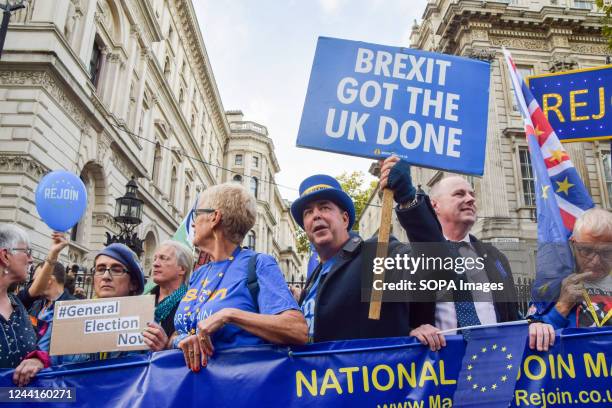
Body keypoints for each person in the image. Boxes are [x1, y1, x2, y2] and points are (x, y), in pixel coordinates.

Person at [380, 156, 555, 352]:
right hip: (438, 369)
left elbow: (511, 317)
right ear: (434, 205)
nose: (470, 199)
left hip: (493, 366)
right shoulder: (410, 257)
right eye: (459, 194)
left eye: (472, 194)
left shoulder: (495, 257)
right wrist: (411, 331)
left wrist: (533, 325)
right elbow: (391, 320)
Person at [173, 183, 307, 372]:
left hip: (240, 389)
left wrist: (229, 315)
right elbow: (182, 331)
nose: (192, 223)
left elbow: (297, 329)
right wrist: (176, 340)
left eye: (196, 215)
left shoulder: (258, 263)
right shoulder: (199, 273)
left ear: (214, 217)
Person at [291, 174, 440, 343]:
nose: (316, 215)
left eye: (324, 207)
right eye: (308, 212)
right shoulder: (312, 280)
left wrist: (409, 202)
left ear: (345, 219)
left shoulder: (377, 252)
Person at [87, 243, 167, 360]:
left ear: (133, 284)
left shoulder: (149, 326)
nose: (106, 276)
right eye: (100, 269)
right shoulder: (72, 321)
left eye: (116, 270)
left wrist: (161, 353)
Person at [535, 208, 612, 329]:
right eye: (586, 250)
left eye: (607, 252)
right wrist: (562, 306)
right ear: (573, 244)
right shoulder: (550, 284)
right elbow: (530, 339)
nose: (596, 261)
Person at [0, 224, 49, 386]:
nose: (31, 259)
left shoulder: (17, 304)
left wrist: (37, 361)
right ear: (5, 256)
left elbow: (37, 349)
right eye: (26, 252)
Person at [27, 261, 79, 365]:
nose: (33, 285)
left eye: (36, 280)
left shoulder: (76, 309)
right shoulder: (36, 305)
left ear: (49, 280)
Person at [145, 240, 193, 343]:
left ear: (182, 269)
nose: (155, 264)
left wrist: (166, 346)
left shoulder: (191, 304)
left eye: (163, 258)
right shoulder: (143, 301)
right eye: (155, 259)